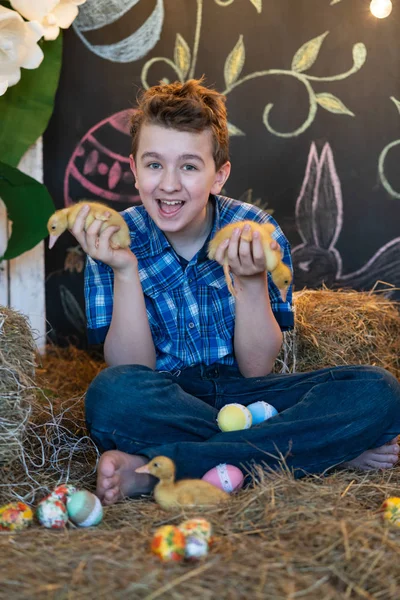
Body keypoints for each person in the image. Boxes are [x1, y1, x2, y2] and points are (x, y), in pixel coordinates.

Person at [70, 79, 400, 506]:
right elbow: (134, 372)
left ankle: (158, 471)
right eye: (154, 165)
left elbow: (257, 369)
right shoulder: (113, 241)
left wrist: (249, 283)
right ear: (133, 169)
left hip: (253, 398)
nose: (168, 184)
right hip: (170, 401)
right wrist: (126, 271)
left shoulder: (255, 230)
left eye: (189, 166)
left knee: (378, 391)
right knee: (111, 395)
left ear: (219, 175)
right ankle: (321, 453)